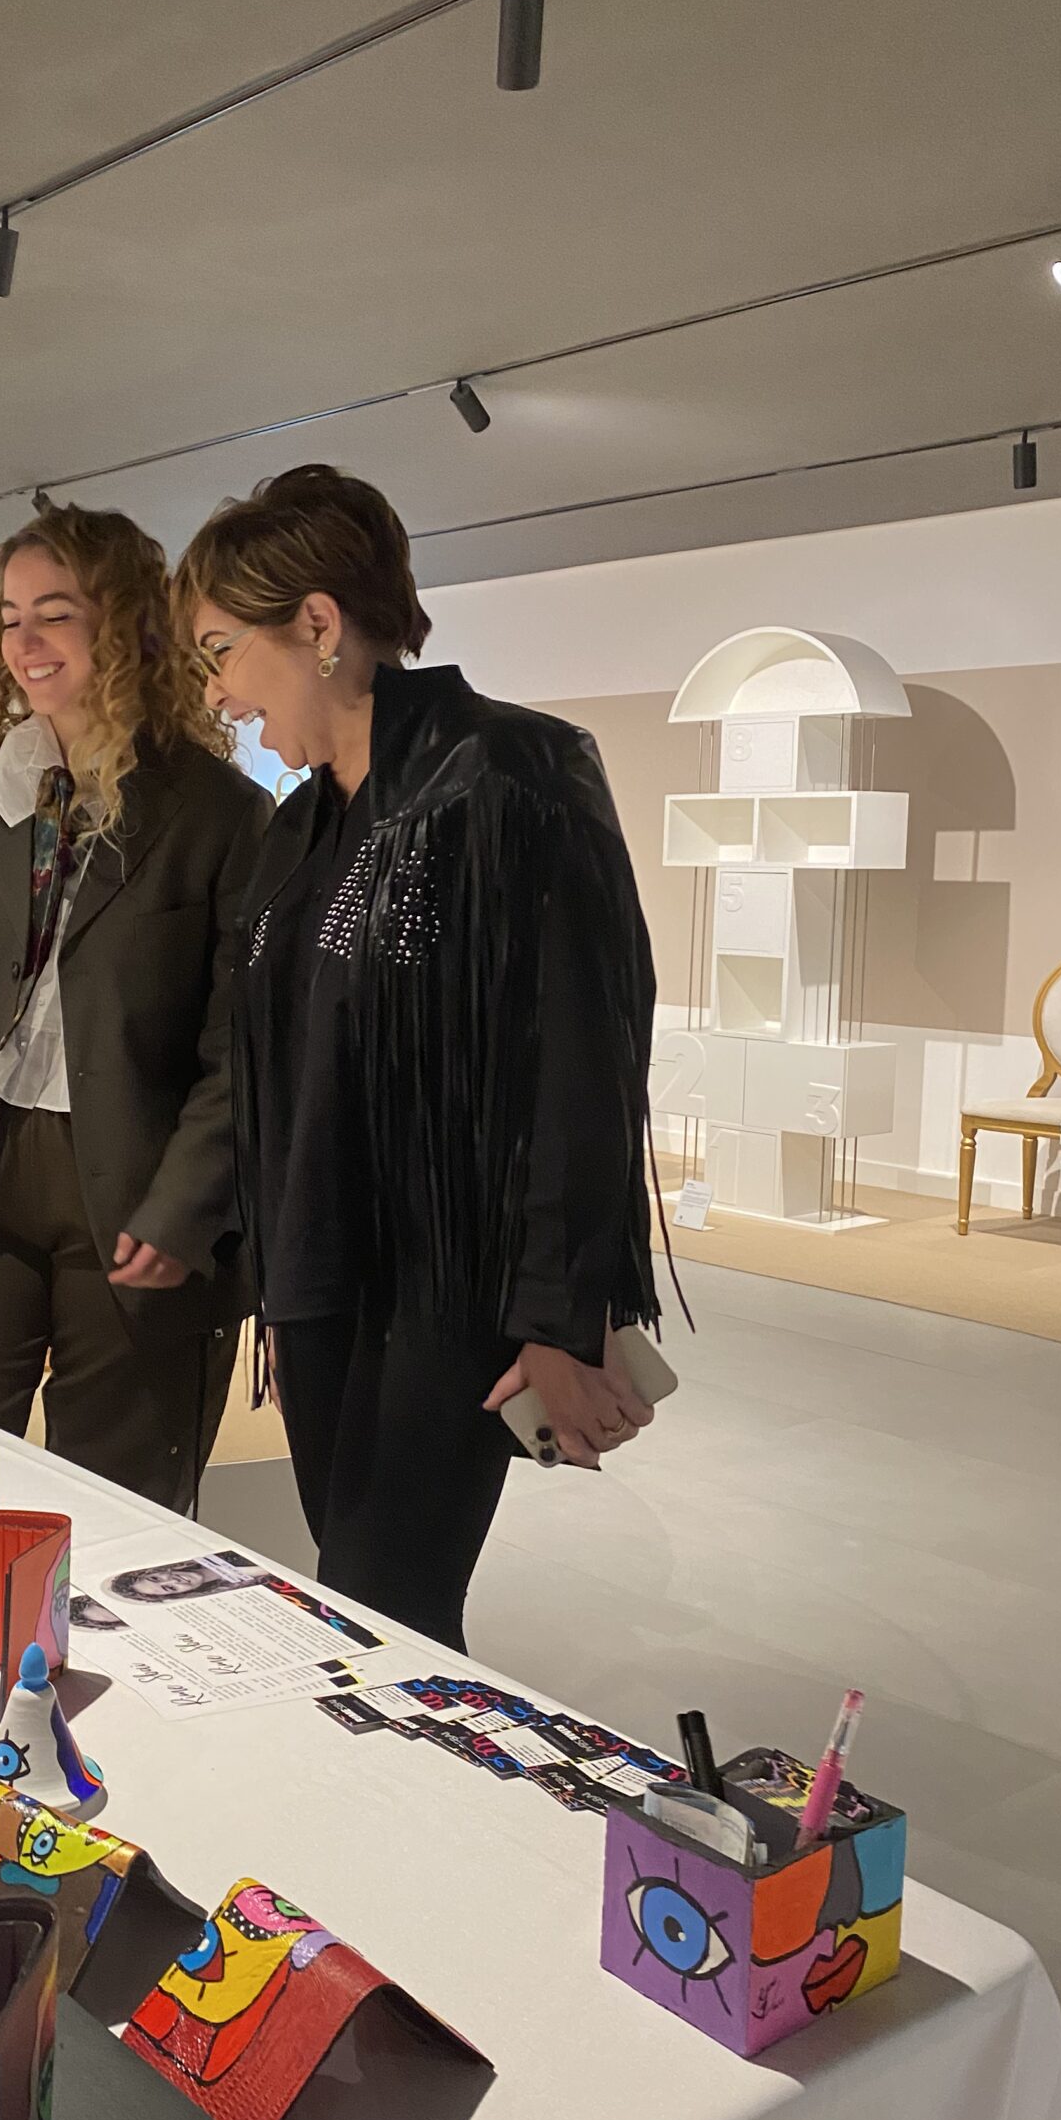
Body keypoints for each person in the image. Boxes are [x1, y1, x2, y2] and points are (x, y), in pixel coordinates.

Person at [174, 463, 659, 1646]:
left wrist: (561, 1312)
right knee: (359, 1593)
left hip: (451, 1290)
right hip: (321, 1282)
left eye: (222, 652)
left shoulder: (511, 773)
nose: (219, 694)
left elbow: (583, 1057)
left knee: (388, 1600)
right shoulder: (304, 824)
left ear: (317, 624)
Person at [0, 502, 269, 1511]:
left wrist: (187, 1205)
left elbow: (243, 1046)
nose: (26, 642)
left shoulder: (223, 813)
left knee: (119, 1505)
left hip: (136, 1197)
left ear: (126, 624)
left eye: (57, 614)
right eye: (10, 619)